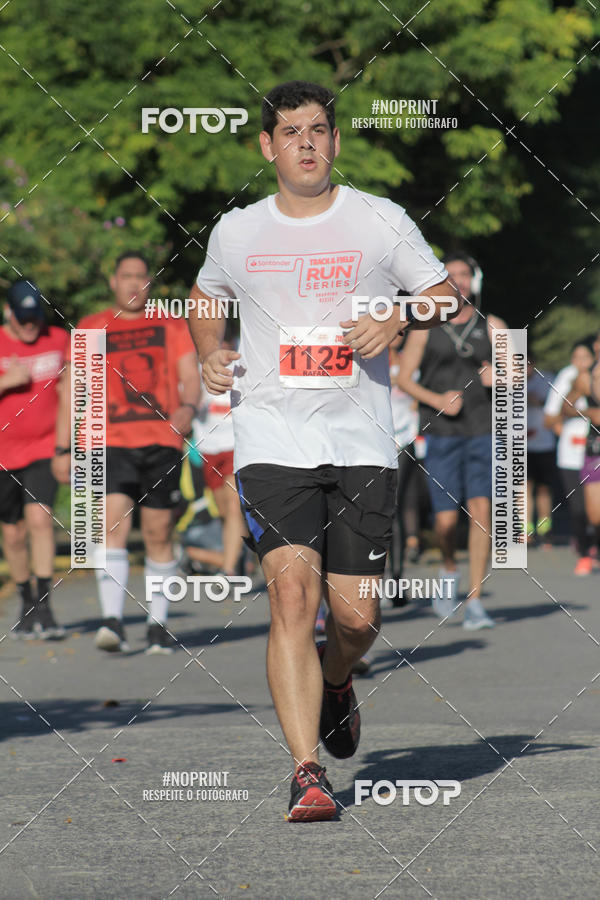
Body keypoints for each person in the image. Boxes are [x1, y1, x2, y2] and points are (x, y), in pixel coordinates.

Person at [187, 80, 460, 821]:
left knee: (355, 617)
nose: (306, 142)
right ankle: (306, 771)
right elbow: (206, 298)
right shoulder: (237, 230)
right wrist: (210, 350)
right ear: (267, 147)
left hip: (362, 437)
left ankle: (339, 680)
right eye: (290, 131)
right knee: (290, 596)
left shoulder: (378, 218)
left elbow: (445, 295)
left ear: (335, 142)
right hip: (272, 435)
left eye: (318, 129)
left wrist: (399, 316)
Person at [55, 252, 200, 653]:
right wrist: (65, 448)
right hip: (109, 442)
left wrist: (188, 407)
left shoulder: (171, 325)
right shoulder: (91, 327)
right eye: (127, 276)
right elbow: (74, 393)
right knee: (110, 525)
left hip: (161, 441)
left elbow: (191, 376)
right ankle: (113, 622)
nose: (135, 284)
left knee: (158, 532)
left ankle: (158, 625)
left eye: (142, 277)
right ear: (113, 282)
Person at [396, 252, 506, 629]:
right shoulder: (425, 326)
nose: (457, 281)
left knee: (481, 511)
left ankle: (475, 601)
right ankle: (448, 570)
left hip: (483, 429)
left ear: (473, 281)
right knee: (444, 522)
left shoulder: (492, 324)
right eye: (450, 275)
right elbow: (404, 378)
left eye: (463, 275)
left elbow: (521, 370)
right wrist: (437, 400)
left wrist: (502, 375)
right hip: (440, 432)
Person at [0, 280, 68, 639]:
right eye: (23, 317)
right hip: (3, 455)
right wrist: (7, 382)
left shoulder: (57, 339)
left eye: (35, 317)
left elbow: (70, 391)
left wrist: (65, 448)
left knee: (40, 520)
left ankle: (45, 606)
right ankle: (25, 601)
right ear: (9, 312)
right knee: (13, 533)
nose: (30, 325)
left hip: (44, 448)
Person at [544, 338, 595, 574]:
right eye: (576, 358)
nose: (581, 363)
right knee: (578, 509)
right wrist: (577, 403)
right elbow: (551, 417)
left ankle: (591, 544)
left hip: (593, 451)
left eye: (586, 357)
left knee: (595, 509)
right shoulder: (567, 377)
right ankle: (584, 551)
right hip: (570, 453)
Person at [562, 337, 600, 560]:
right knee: (595, 515)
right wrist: (588, 413)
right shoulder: (586, 376)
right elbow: (565, 407)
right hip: (594, 446)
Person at [526, 355, 557, 545]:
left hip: (544, 442)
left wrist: (540, 401)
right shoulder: (507, 381)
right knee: (524, 487)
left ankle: (545, 528)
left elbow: (556, 407)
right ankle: (526, 529)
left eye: (528, 363)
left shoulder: (547, 379)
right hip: (520, 443)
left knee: (544, 488)